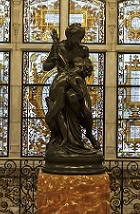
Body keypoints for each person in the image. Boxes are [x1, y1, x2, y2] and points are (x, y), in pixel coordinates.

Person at [43, 24, 101, 154]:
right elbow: (46, 67)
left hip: (78, 84)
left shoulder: (83, 50)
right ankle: (63, 140)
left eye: (81, 38)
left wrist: (83, 69)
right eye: (77, 37)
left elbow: (87, 68)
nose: (79, 41)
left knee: (86, 111)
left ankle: (89, 134)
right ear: (69, 35)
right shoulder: (59, 47)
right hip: (62, 85)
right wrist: (53, 61)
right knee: (62, 107)